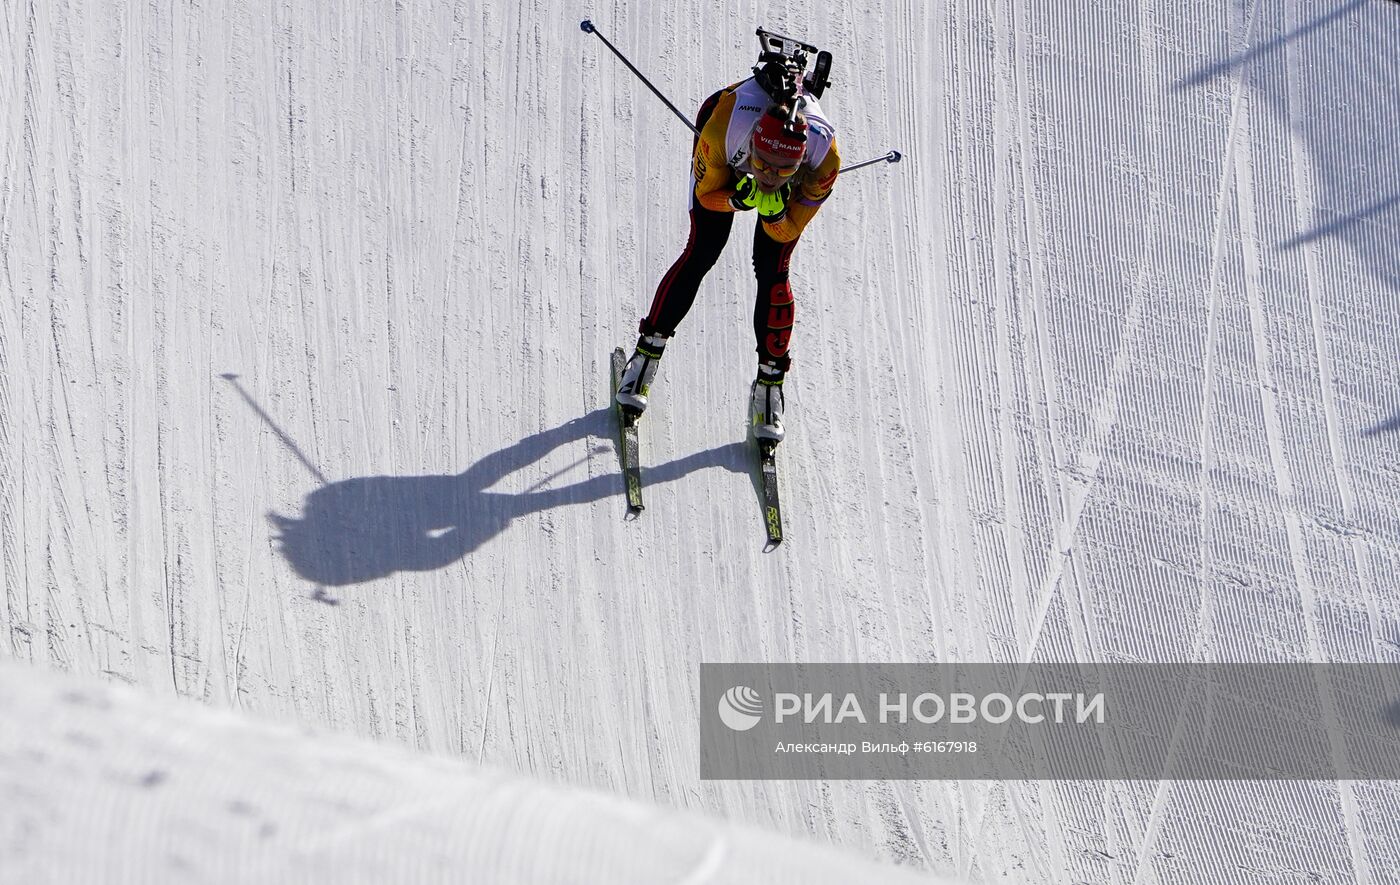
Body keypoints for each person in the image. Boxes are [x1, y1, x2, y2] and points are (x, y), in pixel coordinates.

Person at [614, 67, 840, 443]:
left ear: (800, 163)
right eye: (763, 164)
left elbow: (787, 231)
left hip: (763, 163)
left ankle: (770, 386)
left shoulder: (825, 156)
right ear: (752, 146)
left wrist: (776, 213)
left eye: (783, 170)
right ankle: (645, 357)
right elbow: (707, 197)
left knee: (774, 269)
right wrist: (736, 198)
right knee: (703, 249)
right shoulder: (724, 128)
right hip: (725, 149)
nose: (769, 176)